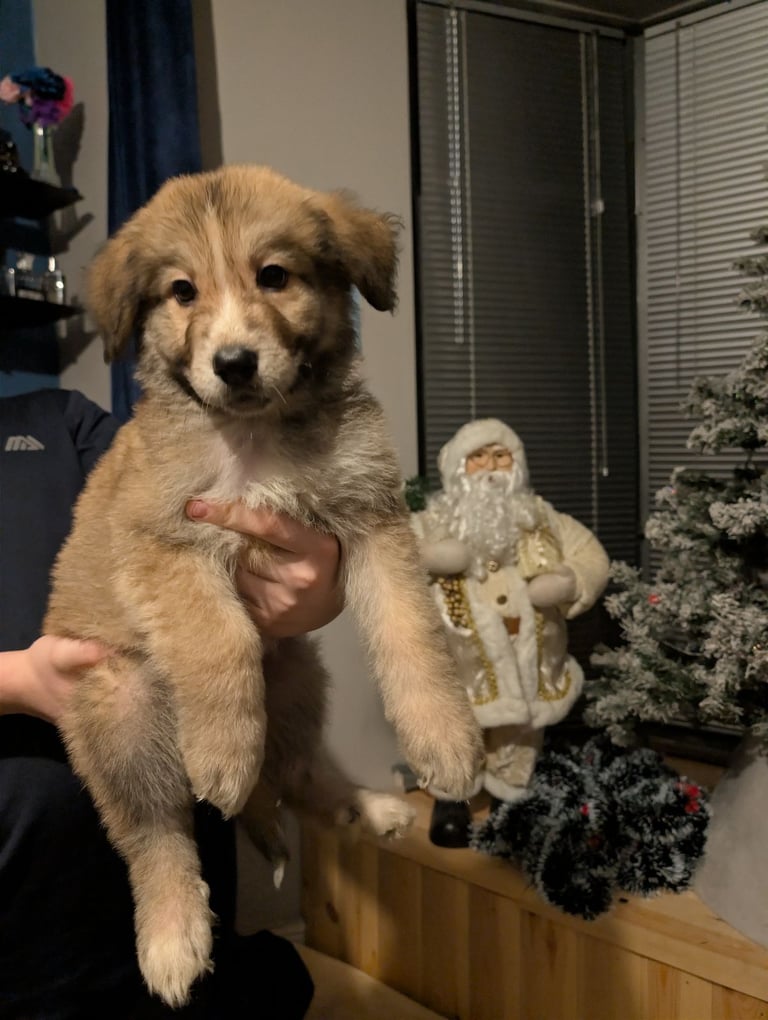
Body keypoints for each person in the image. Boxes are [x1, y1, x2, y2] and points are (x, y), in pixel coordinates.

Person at [0, 387, 344, 1018]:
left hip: (172, 906)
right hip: (22, 936)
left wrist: (314, 576)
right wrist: (18, 679)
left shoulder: (60, 420)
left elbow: (194, 517)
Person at [410, 418, 610, 846]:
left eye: (501, 456)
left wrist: (569, 581)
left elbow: (589, 553)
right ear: (459, 468)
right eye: (478, 457)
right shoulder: (433, 520)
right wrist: (431, 556)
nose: (491, 467)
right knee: (453, 733)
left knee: (519, 734)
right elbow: (391, 556)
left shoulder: (540, 516)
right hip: (460, 665)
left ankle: (509, 795)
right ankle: (451, 797)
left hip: (531, 660)